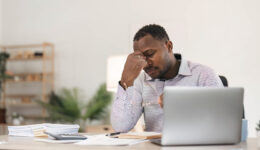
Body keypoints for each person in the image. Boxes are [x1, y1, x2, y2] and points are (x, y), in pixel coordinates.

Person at [111, 24, 223, 133]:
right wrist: (125, 81)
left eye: (150, 54)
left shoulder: (203, 74)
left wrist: (185, 103)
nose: (145, 64)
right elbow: (121, 127)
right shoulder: (140, 80)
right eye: (140, 58)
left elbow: (221, 120)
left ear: (169, 46)